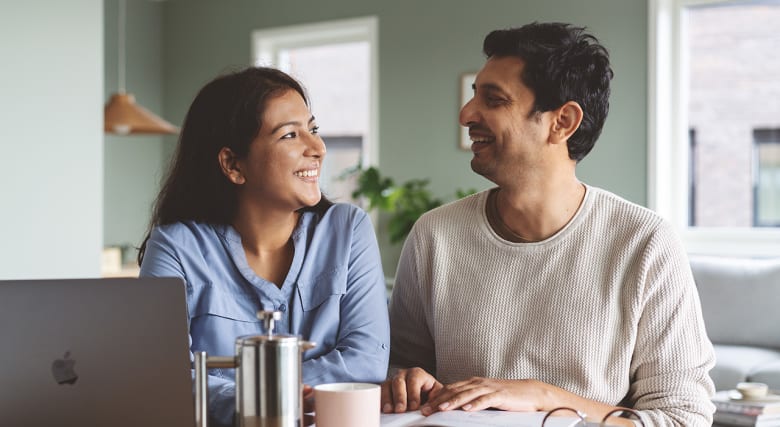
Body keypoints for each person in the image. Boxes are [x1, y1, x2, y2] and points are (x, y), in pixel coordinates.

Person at [381, 22, 715, 426]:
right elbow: (396, 368)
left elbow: (683, 418)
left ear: (563, 121)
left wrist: (545, 396)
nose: (466, 114)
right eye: (474, 96)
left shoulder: (644, 243)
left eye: (494, 99)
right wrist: (403, 380)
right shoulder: (435, 235)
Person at [138, 66, 390, 427]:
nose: (317, 147)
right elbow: (164, 377)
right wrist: (266, 401)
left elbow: (367, 359)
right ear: (232, 164)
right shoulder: (176, 247)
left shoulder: (348, 229)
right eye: (290, 135)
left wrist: (252, 393)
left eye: (313, 129)